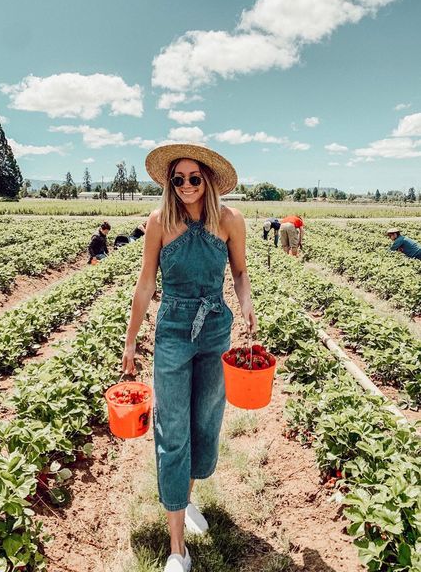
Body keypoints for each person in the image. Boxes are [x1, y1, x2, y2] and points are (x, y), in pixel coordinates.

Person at [122, 143, 256, 572]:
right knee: (172, 428)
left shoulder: (231, 220)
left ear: (209, 180)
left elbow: (238, 270)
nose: (185, 186)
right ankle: (177, 549)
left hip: (215, 326)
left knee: (204, 421)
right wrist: (130, 342)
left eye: (193, 178)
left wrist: (245, 302)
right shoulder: (160, 221)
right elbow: (145, 286)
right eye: (176, 179)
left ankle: (187, 497)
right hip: (174, 330)